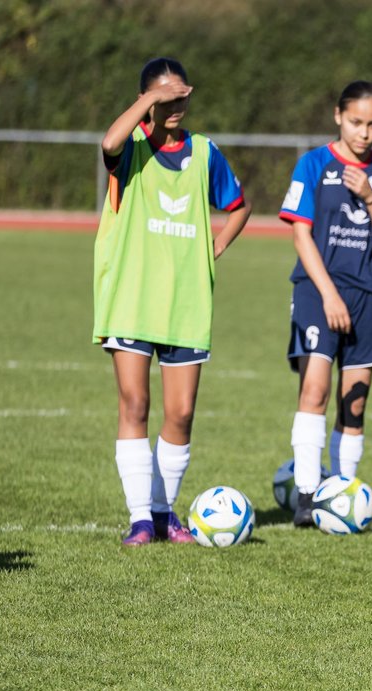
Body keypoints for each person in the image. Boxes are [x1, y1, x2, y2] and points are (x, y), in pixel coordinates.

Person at [93, 56, 251, 546]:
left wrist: (216, 246)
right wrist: (147, 103)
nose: (175, 105)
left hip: (186, 302)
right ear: (147, 99)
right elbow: (108, 142)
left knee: (181, 413)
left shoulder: (205, 152)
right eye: (165, 96)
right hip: (132, 298)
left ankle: (165, 513)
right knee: (135, 402)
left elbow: (239, 207)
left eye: (181, 95)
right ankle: (141, 517)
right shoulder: (132, 149)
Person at [280, 81, 372, 526]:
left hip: (367, 294)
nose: (364, 132)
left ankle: (345, 493)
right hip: (317, 291)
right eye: (355, 122)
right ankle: (308, 496)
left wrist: (371, 197)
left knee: (355, 401)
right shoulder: (313, 164)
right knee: (315, 389)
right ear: (338, 116)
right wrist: (329, 293)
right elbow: (299, 232)